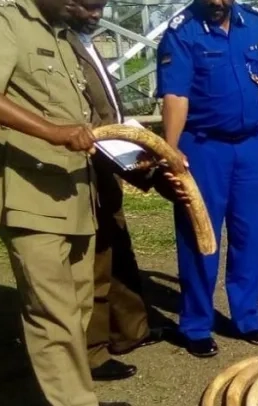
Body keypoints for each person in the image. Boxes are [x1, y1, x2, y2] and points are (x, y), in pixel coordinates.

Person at [0, 0, 136, 406]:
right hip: (28, 195)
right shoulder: (2, 17)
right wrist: (52, 132)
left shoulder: (59, 31)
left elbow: (84, 119)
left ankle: (78, 404)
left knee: (77, 307)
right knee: (51, 315)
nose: (87, 7)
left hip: (72, 193)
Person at [155, 0, 258, 358]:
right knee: (200, 236)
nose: (218, 2)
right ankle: (196, 325)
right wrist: (171, 153)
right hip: (203, 148)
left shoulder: (255, 24)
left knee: (252, 235)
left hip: (248, 147)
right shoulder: (181, 31)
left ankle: (247, 317)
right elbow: (175, 95)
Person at [64, 0, 175, 382]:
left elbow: (109, 111)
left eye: (100, 7)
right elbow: (88, 121)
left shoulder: (86, 42)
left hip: (109, 164)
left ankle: (131, 331)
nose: (96, 14)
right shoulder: (61, 45)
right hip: (85, 169)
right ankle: (94, 353)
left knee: (119, 250)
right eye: (88, 7)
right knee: (95, 261)